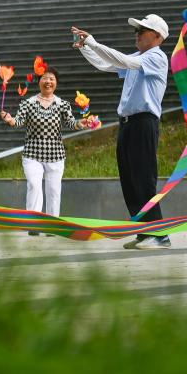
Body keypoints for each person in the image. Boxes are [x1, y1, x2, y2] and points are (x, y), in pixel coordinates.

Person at [71, 14, 171, 250]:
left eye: (142, 30)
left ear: (157, 37)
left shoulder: (157, 56)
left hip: (144, 122)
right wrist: (86, 48)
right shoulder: (138, 57)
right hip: (127, 123)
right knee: (129, 179)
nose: (137, 34)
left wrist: (93, 42)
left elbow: (123, 61)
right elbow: (107, 64)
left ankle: (160, 235)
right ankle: (143, 231)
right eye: (136, 30)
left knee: (144, 178)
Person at [0, 66, 92, 234]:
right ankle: (34, 224)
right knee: (34, 186)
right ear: (39, 81)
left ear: (56, 83)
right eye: (45, 78)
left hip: (56, 155)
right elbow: (18, 122)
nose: (48, 81)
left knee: (54, 191)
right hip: (32, 154)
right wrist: (10, 120)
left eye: (52, 79)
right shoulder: (27, 103)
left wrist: (81, 123)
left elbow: (72, 123)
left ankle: (52, 226)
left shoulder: (62, 104)